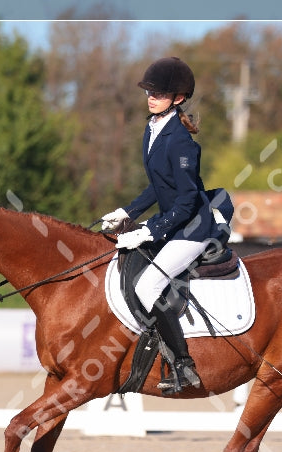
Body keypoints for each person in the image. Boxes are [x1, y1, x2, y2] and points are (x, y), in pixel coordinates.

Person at [100, 56, 227, 395]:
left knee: (147, 286)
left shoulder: (180, 141)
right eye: (149, 92)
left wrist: (149, 230)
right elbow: (158, 186)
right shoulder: (152, 128)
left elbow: (186, 200)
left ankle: (183, 364)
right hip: (171, 225)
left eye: (159, 93)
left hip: (193, 229)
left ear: (179, 97)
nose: (151, 97)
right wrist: (126, 212)